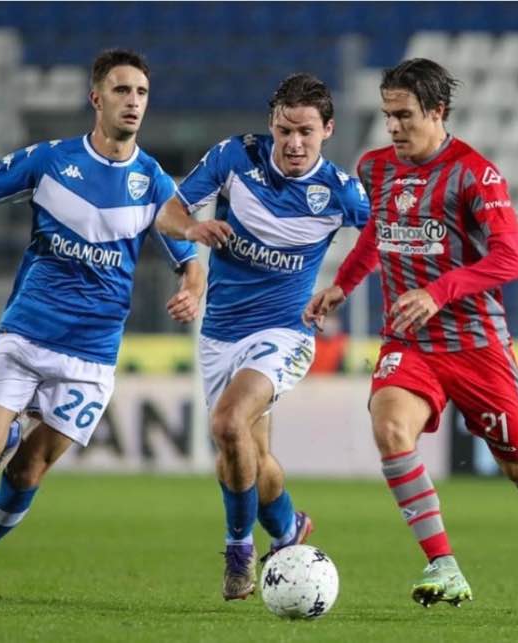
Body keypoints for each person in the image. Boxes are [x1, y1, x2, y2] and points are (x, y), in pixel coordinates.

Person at [304, 58, 518, 608]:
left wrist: (438, 291)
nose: (393, 128)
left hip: (475, 344)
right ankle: (442, 564)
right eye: (386, 115)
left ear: (437, 112)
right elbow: (379, 231)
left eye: (404, 116)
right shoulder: (375, 168)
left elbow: (512, 258)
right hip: (409, 341)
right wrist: (343, 286)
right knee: (390, 427)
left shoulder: (475, 173)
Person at [0, 49, 203, 562]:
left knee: (26, 471)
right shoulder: (49, 160)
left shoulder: (156, 186)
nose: (133, 102)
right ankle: (10, 424)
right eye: (122, 90)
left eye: (141, 92)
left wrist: (192, 289)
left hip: (91, 356)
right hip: (27, 334)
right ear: (95, 98)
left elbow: (190, 260)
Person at [155, 73, 370, 601]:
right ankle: (289, 529)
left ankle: (237, 553)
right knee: (248, 455)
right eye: (283, 131)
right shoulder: (235, 158)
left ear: (328, 130)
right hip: (220, 335)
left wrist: (341, 287)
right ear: (271, 126)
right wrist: (193, 231)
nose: (294, 143)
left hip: (285, 332)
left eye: (306, 132)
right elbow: (167, 212)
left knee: (227, 421)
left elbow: (386, 240)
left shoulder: (341, 192)